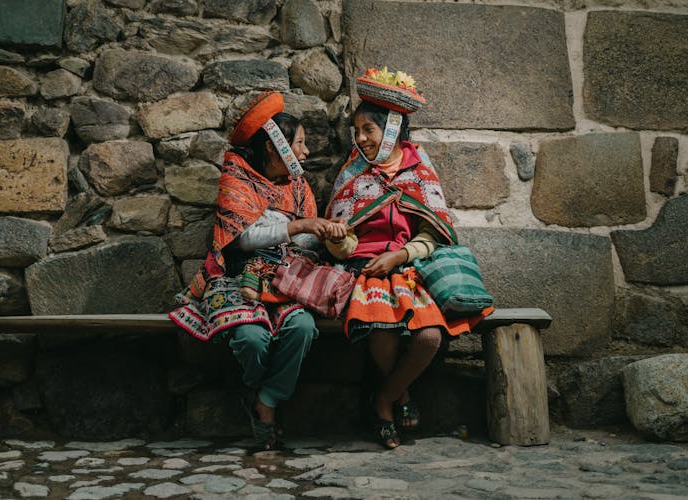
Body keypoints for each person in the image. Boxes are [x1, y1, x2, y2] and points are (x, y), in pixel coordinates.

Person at [325, 67, 492, 449]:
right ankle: (393, 404)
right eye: (357, 131)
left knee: (429, 337)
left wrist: (400, 253)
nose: (361, 139)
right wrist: (338, 240)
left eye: (368, 130)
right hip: (364, 270)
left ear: (393, 128)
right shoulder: (354, 171)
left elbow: (436, 229)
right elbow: (344, 237)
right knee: (382, 331)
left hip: (409, 267)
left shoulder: (419, 169)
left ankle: (386, 395)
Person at [169, 90, 346, 450]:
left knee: (302, 327)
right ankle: (260, 391)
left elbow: (307, 242)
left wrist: (327, 236)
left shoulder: (298, 186)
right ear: (273, 147)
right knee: (251, 339)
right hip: (237, 278)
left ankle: (264, 401)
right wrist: (299, 227)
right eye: (299, 144)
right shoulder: (236, 177)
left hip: (287, 280)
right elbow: (240, 237)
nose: (306, 153)